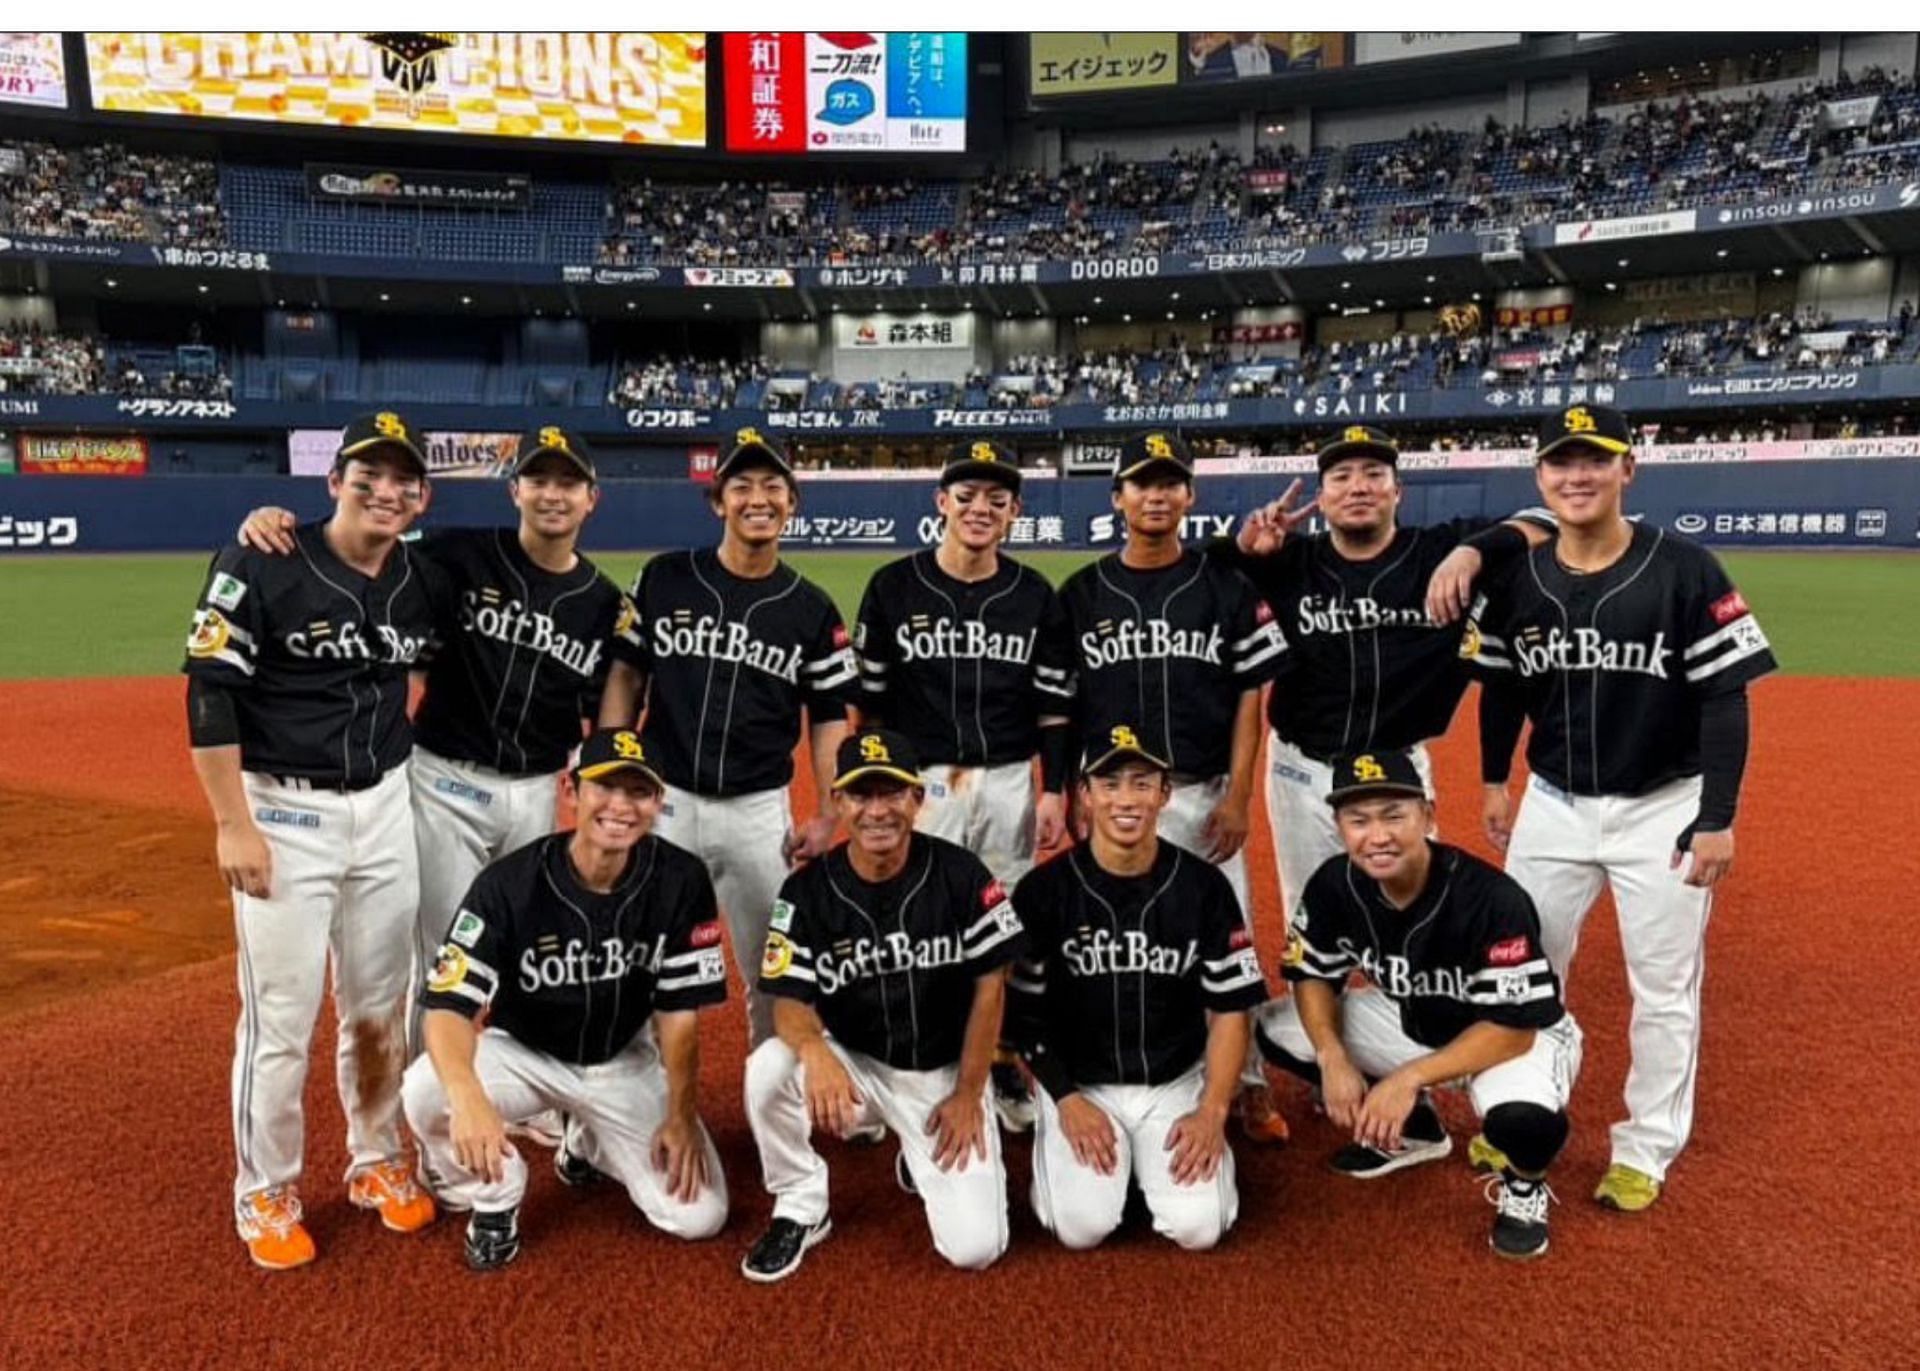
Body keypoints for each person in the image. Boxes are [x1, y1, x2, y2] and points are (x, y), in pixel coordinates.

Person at [235, 426, 642, 1072]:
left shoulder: (601, 602)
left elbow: (606, 707)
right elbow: (366, 549)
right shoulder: (456, 557)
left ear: (592, 497)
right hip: (444, 779)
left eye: (568, 482)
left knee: (525, 942)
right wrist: (273, 521)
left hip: (535, 789)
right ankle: (432, 1100)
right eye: (539, 479)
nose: (552, 494)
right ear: (516, 490)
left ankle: (519, 1083)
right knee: (445, 950)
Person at [1460, 404, 1776, 1212]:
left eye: (1595, 461)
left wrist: (1717, 815)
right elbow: (1501, 689)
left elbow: (1725, 700)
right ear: (1541, 480)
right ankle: (1521, 1111)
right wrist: (1496, 779)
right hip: (1554, 804)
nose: (1579, 476)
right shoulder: (1519, 578)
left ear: (1627, 470)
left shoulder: (1684, 567)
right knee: (1524, 971)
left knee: (1664, 987)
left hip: (1661, 809)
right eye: (1562, 463)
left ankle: (1645, 1146)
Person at [183, 410, 446, 1269]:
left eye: (402, 480)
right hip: (284, 814)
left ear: (421, 498)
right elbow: (210, 693)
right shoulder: (263, 558)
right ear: (333, 482)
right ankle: (263, 1184)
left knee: (379, 1006)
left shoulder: (419, 575)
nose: (384, 490)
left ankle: (376, 1159)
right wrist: (233, 823)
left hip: (386, 808)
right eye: (366, 475)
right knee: (282, 1017)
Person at [402, 728, 730, 1270]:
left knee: (699, 1217)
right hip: (525, 1055)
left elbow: (679, 1018)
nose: (621, 806)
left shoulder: (681, 880)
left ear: (658, 803)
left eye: (639, 792)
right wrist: (469, 1098)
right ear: (570, 791)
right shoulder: (509, 883)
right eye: (605, 787)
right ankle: (497, 1197)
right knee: (424, 1090)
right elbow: (446, 1007)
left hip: (623, 1062)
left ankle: (587, 1141)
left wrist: (681, 1113)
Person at [1254, 750, 1583, 1260]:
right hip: (1414, 1022)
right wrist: (1331, 1055)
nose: (1377, 835)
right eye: (1358, 820)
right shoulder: (1334, 885)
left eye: (1394, 815)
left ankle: (1525, 1185)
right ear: (1339, 826)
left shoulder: (1490, 898)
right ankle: (1417, 1131)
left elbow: (1514, 1028)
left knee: (1522, 1121)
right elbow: (1312, 973)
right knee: (1276, 1028)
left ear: (1428, 816)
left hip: (1511, 1039)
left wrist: (1406, 1079)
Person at [1211, 424, 1550, 917]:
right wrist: (1241, 550)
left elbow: (1550, 522)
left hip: (1399, 769)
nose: (1358, 486)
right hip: (1300, 770)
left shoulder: (1439, 550)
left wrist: (1474, 550)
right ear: (1322, 501)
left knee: (1413, 911)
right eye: (1341, 477)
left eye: (1374, 473)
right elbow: (1189, 577)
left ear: (1398, 492)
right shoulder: (1287, 560)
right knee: (1309, 914)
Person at [1057, 429, 1288, 1142]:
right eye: (1141, 483)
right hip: (1113, 795)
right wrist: (1067, 786)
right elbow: (1062, 703)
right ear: (1117, 496)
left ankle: (1246, 1081)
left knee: (1228, 941)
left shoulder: (1224, 585)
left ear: (1189, 494)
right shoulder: (1082, 593)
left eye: (1169, 482)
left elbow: (1254, 693)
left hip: (1199, 791)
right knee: (1117, 935)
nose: (1155, 495)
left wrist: (1240, 794)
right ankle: (1104, 1069)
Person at [600, 429, 855, 1046]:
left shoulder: (811, 608)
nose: (758, 498)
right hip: (664, 802)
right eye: (742, 486)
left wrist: (826, 811)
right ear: (718, 502)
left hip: (756, 811)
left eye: (773, 486)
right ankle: (627, 1105)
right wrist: (606, 764)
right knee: (634, 955)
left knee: (777, 970)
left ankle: (773, 1106)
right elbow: (627, 672)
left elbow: (827, 715)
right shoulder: (665, 578)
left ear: (793, 503)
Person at [739, 729, 1023, 1282]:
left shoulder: (962, 876)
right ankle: (800, 1202)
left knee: (976, 1248)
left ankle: (918, 1154)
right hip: (856, 1067)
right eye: (861, 796)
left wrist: (969, 1092)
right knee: (768, 1068)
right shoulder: (806, 892)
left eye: (891, 794)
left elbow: (992, 986)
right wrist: (816, 1053)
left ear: (918, 798)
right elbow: (789, 1000)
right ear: (839, 803)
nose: (877, 811)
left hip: (939, 1073)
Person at [852, 438, 1075, 1132]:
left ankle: (1002, 1057)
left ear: (1014, 512)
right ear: (941, 502)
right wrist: (876, 791)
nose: (981, 508)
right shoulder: (894, 585)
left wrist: (1055, 787)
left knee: (998, 924)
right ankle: (912, 1060)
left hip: (1009, 776)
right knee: (918, 917)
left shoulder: (1034, 594)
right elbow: (870, 703)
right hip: (922, 779)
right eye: (968, 495)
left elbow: (1054, 707)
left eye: (997, 499)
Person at [1008, 725, 1267, 1251]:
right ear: (1085, 794)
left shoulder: (1205, 888)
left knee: (1199, 1230)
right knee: (1081, 1229)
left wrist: (1213, 1109)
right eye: (1109, 783)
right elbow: (1022, 1015)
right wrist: (1065, 1099)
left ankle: (1146, 1160)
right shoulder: (1044, 892)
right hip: (1083, 1084)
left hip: (1175, 1081)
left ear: (1165, 794)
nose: (1126, 799)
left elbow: (1231, 1010)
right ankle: (1105, 1162)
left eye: (1142, 783)